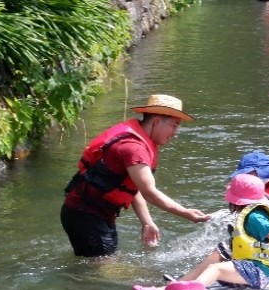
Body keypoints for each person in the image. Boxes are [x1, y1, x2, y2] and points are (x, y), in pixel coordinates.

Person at [60, 94, 210, 257]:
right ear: (157, 121)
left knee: (100, 265)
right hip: (86, 214)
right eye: (174, 125)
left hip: (92, 214)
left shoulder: (139, 144)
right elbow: (149, 192)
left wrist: (146, 222)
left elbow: (132, 186)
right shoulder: (133, 148)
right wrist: (186, 213)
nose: (175, 133)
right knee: (103, 271)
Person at [133, 173, 269, 290]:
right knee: (216, 255)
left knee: (215, 269)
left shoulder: (255, 217)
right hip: (248, 269)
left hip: (258, 273)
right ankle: (170, 288)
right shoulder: (249, 213)